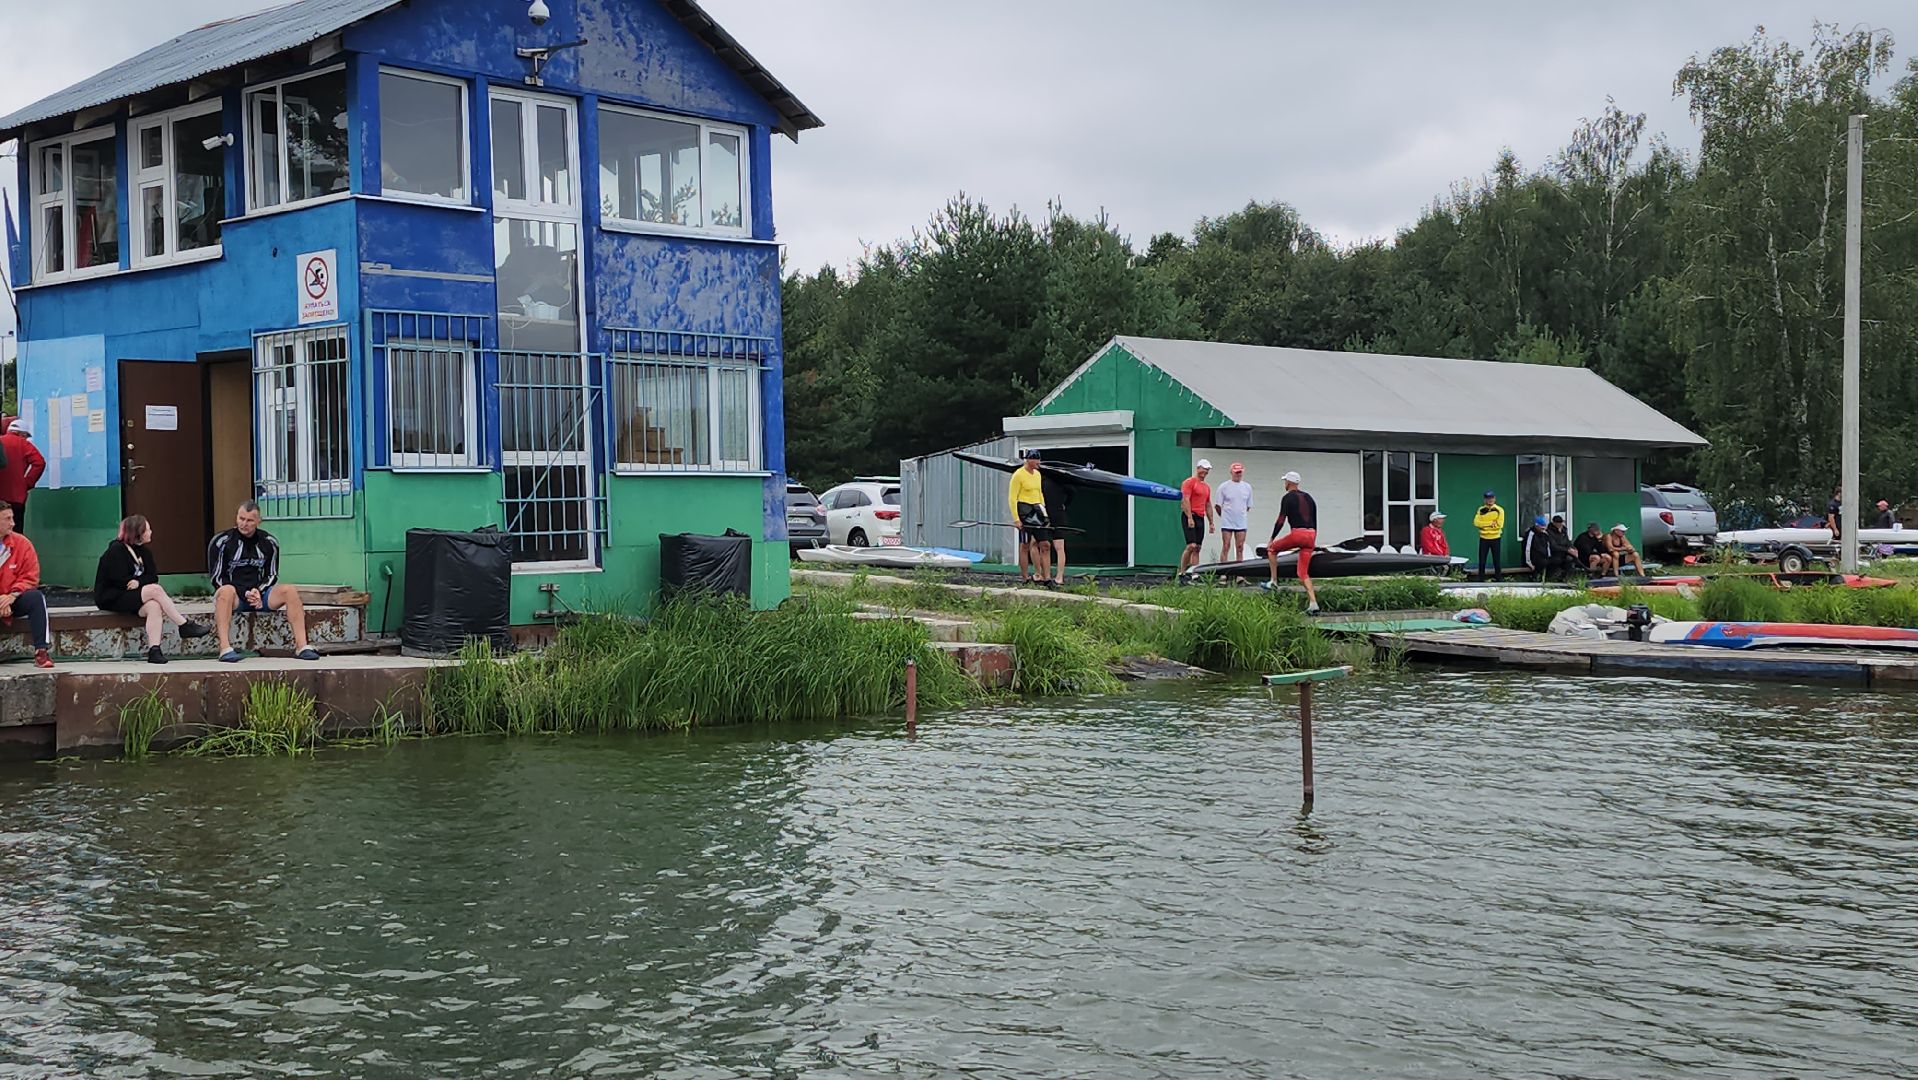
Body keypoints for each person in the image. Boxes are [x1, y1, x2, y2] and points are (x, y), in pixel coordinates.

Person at [208, 500, 319, 663]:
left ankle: (302, 646)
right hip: (234, 596)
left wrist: (258, 591)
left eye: (250, 520)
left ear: (258, 521)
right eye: (241, 518)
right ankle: (225, 648)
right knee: (225, 592)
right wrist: (244, 592)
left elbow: (272, 574)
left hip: (260, 594)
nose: (244, 524)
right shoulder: (221, 542)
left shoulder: (269, 542)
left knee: (290, 590)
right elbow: (217, 578)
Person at [95, 514, 211, 664]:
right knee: (154, 590)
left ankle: (154, 650)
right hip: (112, 596)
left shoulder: (144, 552)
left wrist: (138, 582)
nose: (151, 532)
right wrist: (136, 583)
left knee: (154, 606)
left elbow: (152, 576)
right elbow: (117, 579)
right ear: (138, 533)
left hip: (131, 595)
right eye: (147, 530)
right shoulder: (116, 550)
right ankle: (184, 625)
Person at [0, 504, 53, 668]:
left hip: (13, 598)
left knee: (36, 598)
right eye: (7, 519)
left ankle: (41, 651)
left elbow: (30, 577)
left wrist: (11, 597)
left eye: (13, 518)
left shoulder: (22, 544)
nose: (13, 523)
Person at [1262, 470, 1321, 613]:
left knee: (1272, 549)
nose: (1284, 484)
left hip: (1298, 533)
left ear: (1289, 483)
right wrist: (1313, 540)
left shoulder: (1287, 498)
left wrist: (1272, 538)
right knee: (1302, 573)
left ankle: (1274, 581)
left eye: (1285, 482)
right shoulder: (1309, 498)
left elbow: (1281, 520)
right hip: (1311, 534)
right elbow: (1315, 519)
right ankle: (1313, 603)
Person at [1007, 450, 1050, 586]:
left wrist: (1045, 514)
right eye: (1036, 460)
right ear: (1029, 460)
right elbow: (1012, 498)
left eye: (1039, 460)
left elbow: (1040, 494)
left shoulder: (1037, 474)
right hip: (1024, 511)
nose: (1038, 463)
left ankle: (1047, 577)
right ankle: (1025, 577)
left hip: (1037, 510)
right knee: (1025, 545)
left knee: (1045, 544)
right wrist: (1016, 518)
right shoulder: (1018, 475)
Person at [0, 420, 46, 533]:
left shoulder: (1, 441)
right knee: (15, 532)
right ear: (23, 434)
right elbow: (39, 463)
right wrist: (27, 483)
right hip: (16, 497)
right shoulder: (23, 444)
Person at [1178, 459, 1215, 575]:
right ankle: (1182, 572)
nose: (1205, 471)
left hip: (1200, 516)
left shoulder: (1206, 487)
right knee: (1191, 546)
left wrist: (1211, 522)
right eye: (1204, 469)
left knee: (1197, 547)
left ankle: (1195, 573)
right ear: (1198, 468)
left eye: (1207, 470)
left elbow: (1208, 504)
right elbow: (1185, 499)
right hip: (1190, 515)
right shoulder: (1189, 482)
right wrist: (1189, 517)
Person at [1214, 462, 1254, 562]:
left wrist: (1241, 514)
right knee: (1226, 546)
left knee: (1240, 547)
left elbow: (1248, 506)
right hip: (1227, 521)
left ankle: (1239, 575)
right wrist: (1223, 516)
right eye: (1236, 472)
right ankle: (1223, 573)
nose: (1238, 475)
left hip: (1241, 522)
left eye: (1240, 472)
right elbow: (1218, 505)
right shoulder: (1224, 486)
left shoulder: (1247, 487)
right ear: (1231, 472)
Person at [1041, 469, 1072, 587]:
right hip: (1057, 515)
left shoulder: (1042, 482)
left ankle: (1047, 576)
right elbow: (1072, 493)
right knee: (1058, 547)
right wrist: (1065, 504)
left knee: (1044, 546)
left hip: (1047, 516)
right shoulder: (1062, 483)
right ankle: (1058, 577)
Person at [1472, 490, 1505, 580]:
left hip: (1495, 537)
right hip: (1483, 538)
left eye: (1492, 498)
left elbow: (1499, 525)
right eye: (1488, 498)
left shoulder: (1499, 510)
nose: (1490, 500)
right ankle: (1481, 577)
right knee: (1482, 560)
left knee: (1496, 560)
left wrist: (1483, 524)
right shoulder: (1481, 509)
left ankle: (1498, 578)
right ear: (1484, 500)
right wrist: (1490, 523)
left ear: (1494, 499)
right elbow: (1476, 523)